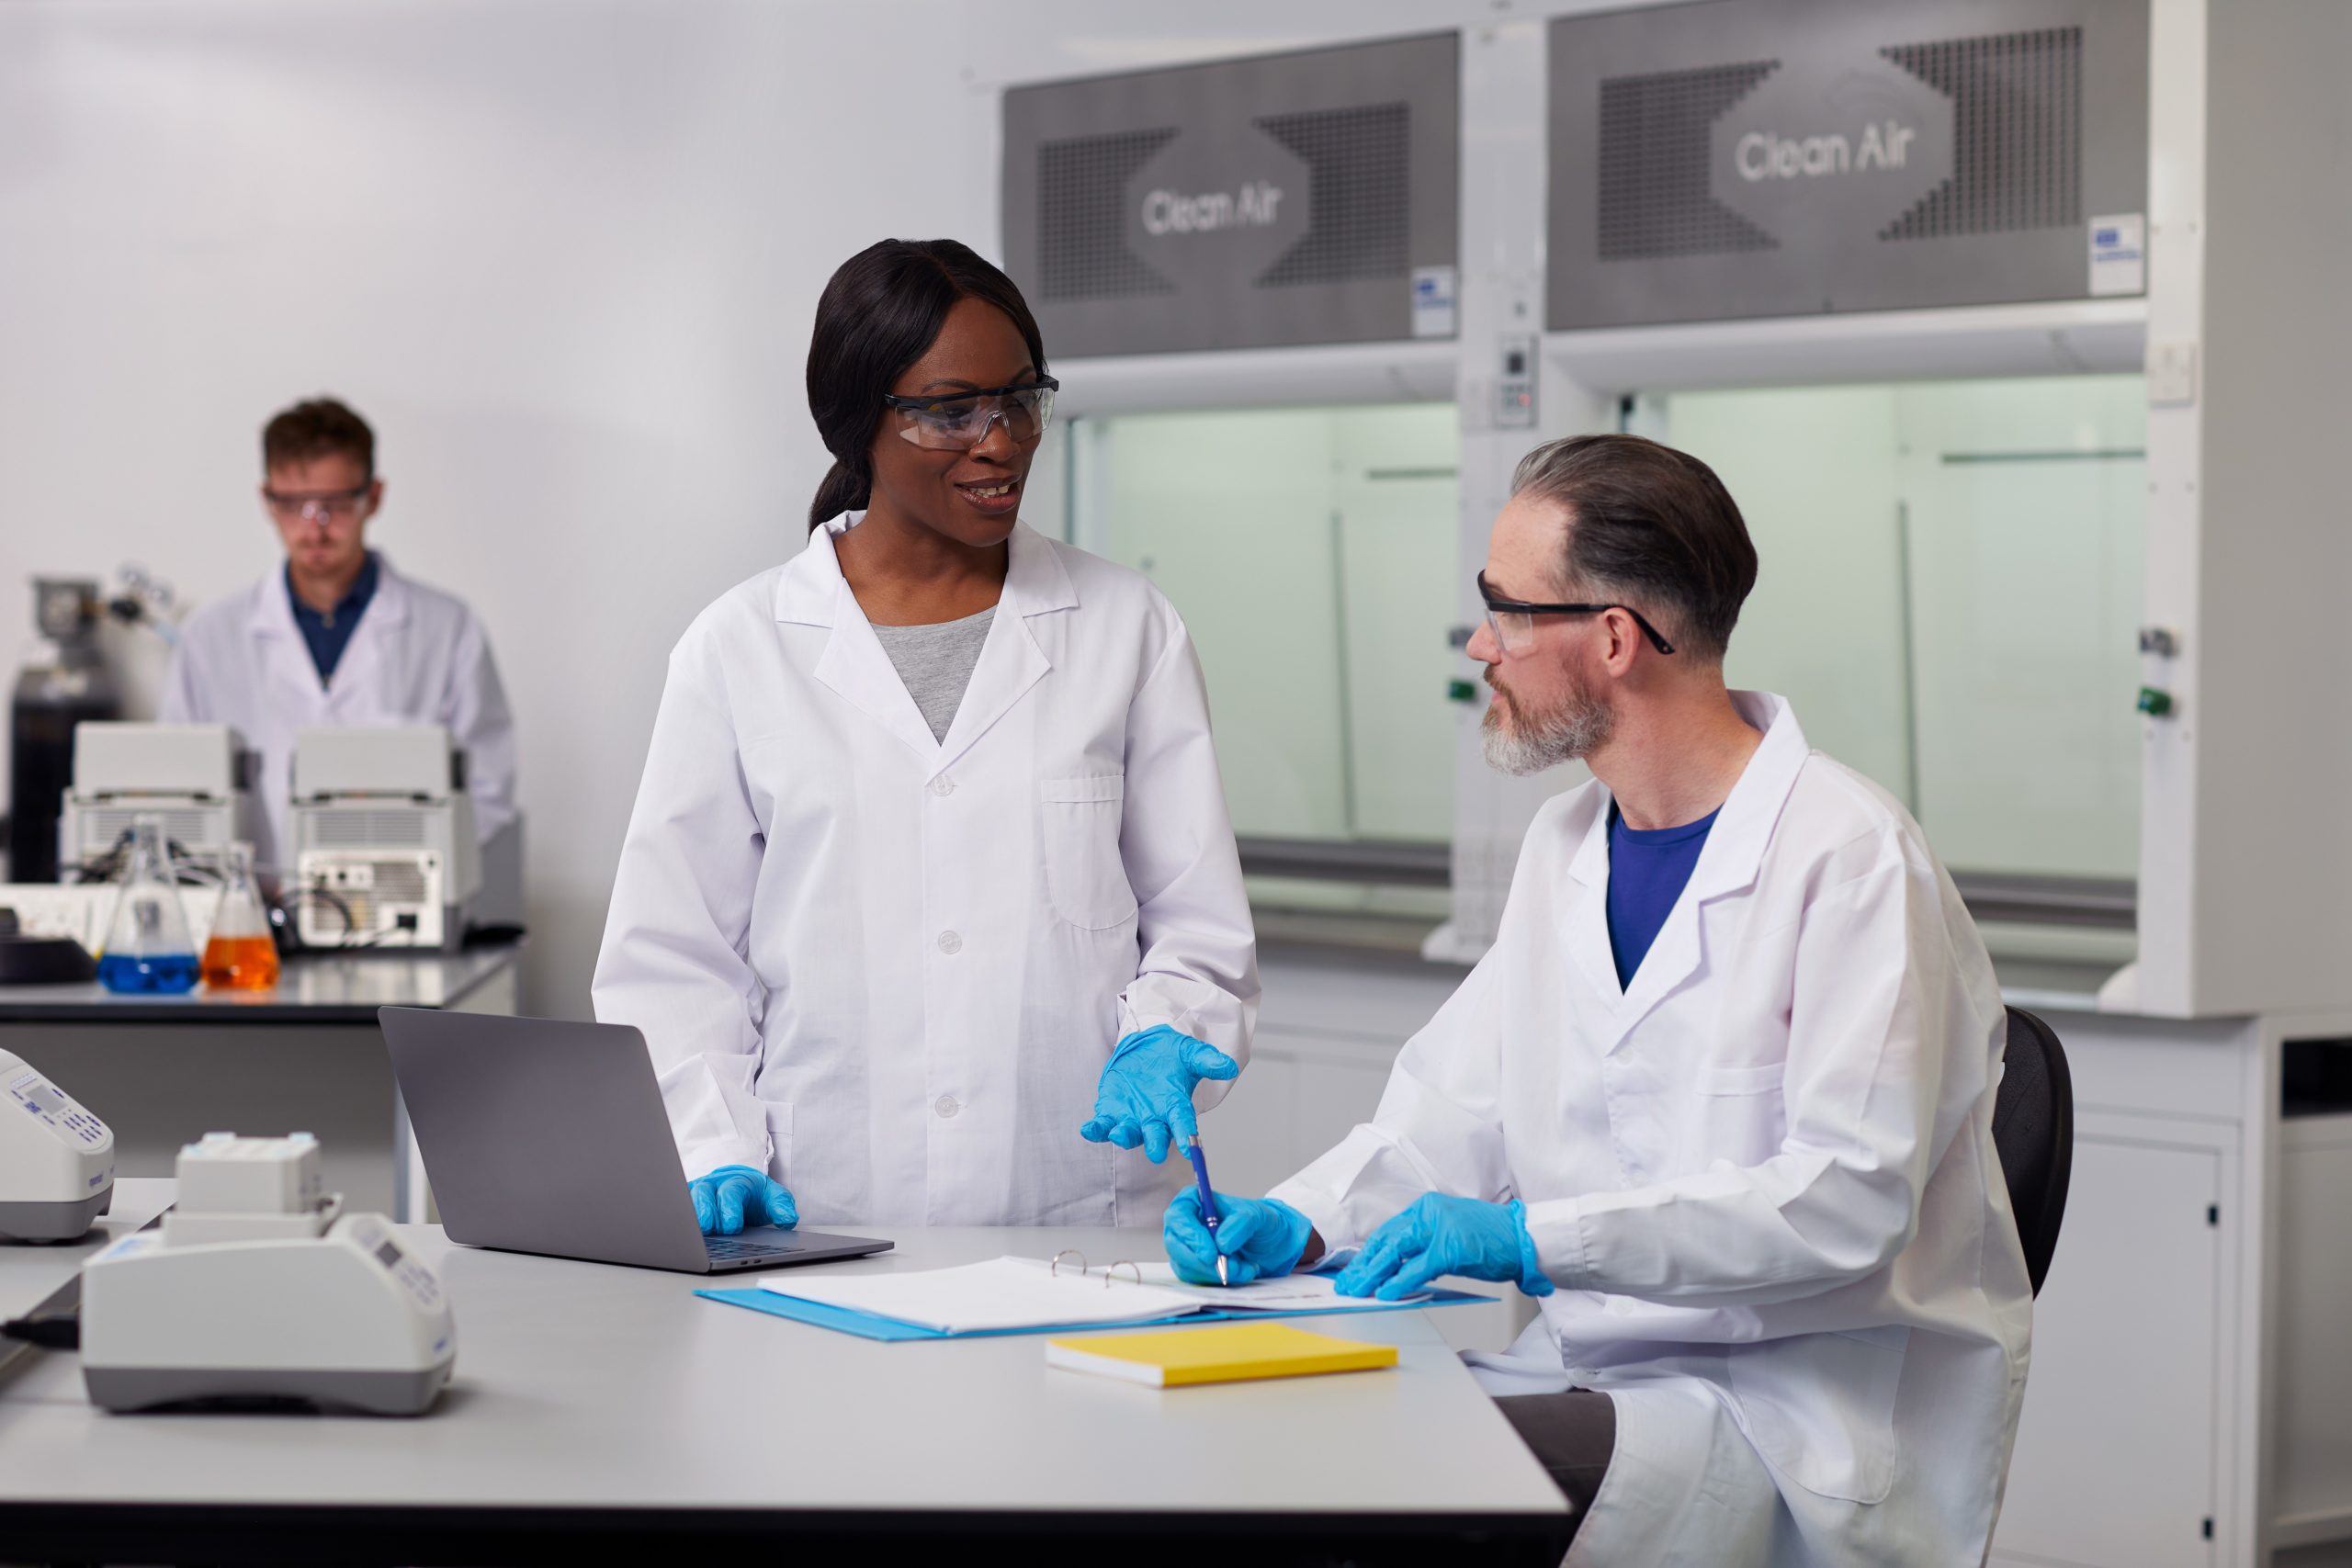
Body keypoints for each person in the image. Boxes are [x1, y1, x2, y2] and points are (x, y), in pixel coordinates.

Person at [1166, 434, 2030, 1564]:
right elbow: (1453, 1114)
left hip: (1794, 1414)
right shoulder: (1567, 842)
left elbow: (1843, 1201)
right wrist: (1309, 1218)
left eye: (1506, 612)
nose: (1481, 646)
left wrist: (1532, 1238)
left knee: (1375, 1485)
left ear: (1613, 638)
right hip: (1594, 1375)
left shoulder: (1848, 857)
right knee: (1269, 1431)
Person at [592, 239, 1256, 1236]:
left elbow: (1197, 928)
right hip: (820, 1212)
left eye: (1020, 399)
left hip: (1074, 1208)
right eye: (951, 411)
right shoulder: (739, 647)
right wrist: (707, 1144)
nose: (1000, 441)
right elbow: (677, 960)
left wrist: (1167, 1035)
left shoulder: (1125, 627)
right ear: (860, 423)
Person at [159, 397, 517, 878]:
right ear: (267, 500)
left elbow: (487, 791)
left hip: (400, 908)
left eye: (334, 506)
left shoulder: (447, 630)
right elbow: (179, 792)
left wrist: (401, 872)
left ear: (373, 497)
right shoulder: (210, 637)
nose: (314, 528)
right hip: (254, 919)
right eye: (293, 506)